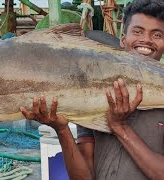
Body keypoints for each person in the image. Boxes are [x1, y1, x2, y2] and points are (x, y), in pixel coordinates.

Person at [20, 0, 164, 179]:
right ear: (122, 39)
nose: (146, 40)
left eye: (157, 35)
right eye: (138, 31)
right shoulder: (92, 94)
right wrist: (62, 129)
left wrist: (120, 127)